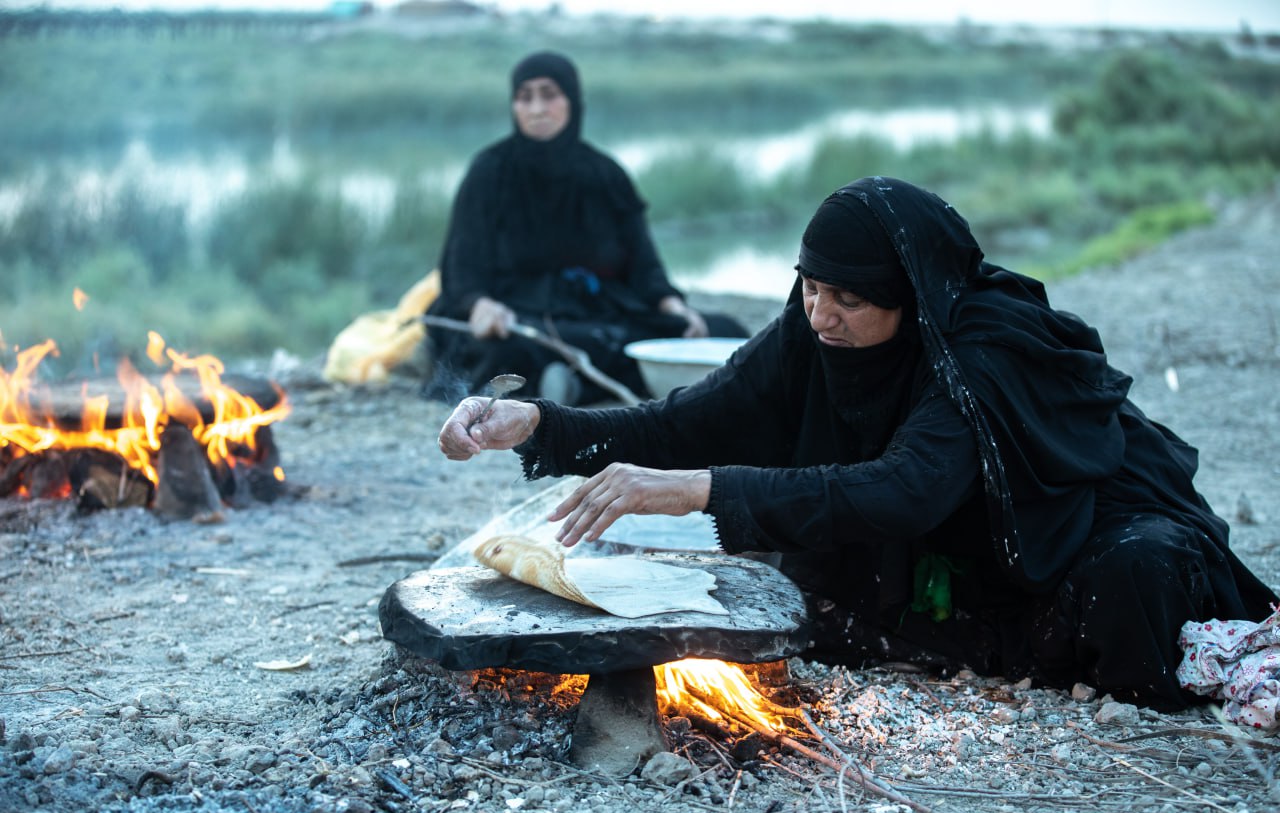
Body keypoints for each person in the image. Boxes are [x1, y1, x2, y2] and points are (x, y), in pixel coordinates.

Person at [437, 175, 1277, 710]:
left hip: (1063, 534)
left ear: (906, 297)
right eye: (809, 285)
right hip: (945, 546)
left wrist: (700, 490)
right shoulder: (812, 328)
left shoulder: (974, 356)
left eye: (848, 297)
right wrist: (540, 422)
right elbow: (689, 416)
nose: (820, 314)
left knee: (1139, 575)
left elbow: (905, 489)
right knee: (824, 591)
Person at [423, 50, 747, 406]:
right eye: (524, 97)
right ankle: (592, 382)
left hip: (599, 310)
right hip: (519, 312)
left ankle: (573, 385)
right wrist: (480, 305)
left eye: (549, 94)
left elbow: (643, 262)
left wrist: (672, 306)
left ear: (572, 100)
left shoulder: (604, 174)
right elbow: (461, 265)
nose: (536, 109)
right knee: (507, 347)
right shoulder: (489, 172)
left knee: (720, 331)